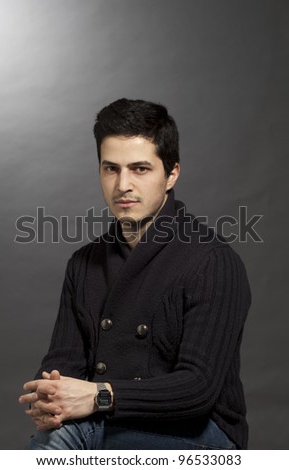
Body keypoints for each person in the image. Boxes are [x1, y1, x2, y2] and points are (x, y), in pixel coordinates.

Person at [19, 98, 251, 450]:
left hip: (200, 434)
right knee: (56, 434)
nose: (122, 184)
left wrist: (97, 397)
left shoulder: (213, 261)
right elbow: (61, 363)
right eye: (111, 168)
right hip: (100, 425)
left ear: (171, 173)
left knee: (66, 440)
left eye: (140, 168)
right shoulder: (83, 264)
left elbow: (197, 389)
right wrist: (49, 396)